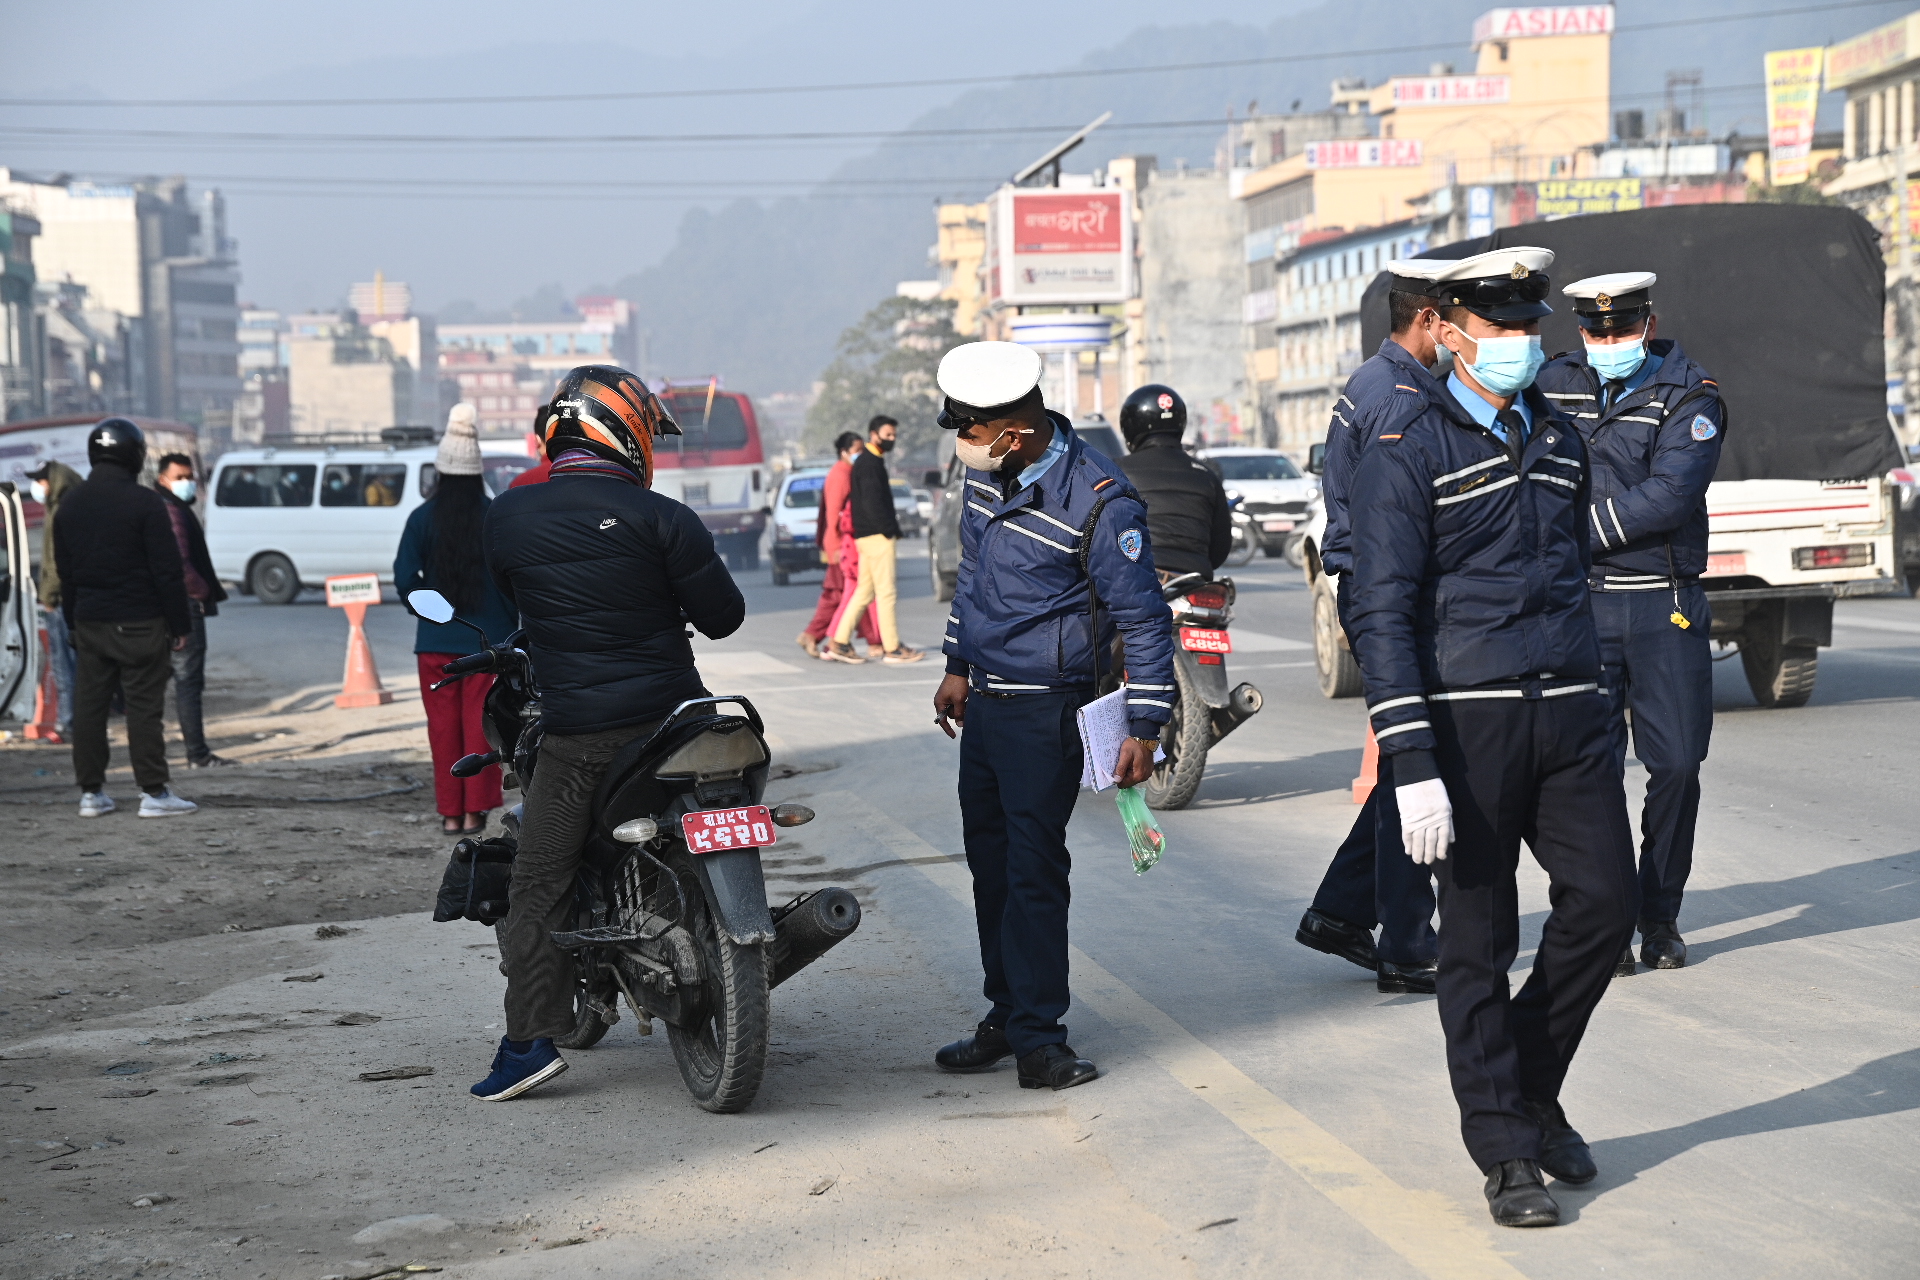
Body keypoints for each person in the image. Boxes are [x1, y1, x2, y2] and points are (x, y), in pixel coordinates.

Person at [1346, 249, 1638, 1227]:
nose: (1518, 342)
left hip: (1569, 711)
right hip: (1468, 724)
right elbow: (1379, 608)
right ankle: (1507, 1147)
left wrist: (1602, 697)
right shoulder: (1406, 444)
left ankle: (1525, 1081)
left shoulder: (1558, 439)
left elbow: (1570, 579)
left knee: (1606, 900)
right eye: (1499, 324)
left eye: (1527, 324)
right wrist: (1411, 758)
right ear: (1452, 327)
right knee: (1478, 939)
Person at [472, 365, 744, 1101]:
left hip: (582, 735)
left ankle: (528, 1043)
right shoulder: (665, 518)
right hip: (682, 725)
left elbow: (511, 611)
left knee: (536, 883)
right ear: (621, 431)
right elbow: (723, 617)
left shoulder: (506, 518)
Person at [930, 341, 1177, 1091]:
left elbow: (1144, 618)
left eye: (971, 431)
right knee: (992, 868)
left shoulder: (1101, 500)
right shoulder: (988, 482)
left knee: (1035, 872)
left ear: (1015, 430)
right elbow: (973, 574)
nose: (964, 444)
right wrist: (954, 664)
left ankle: (1041, 1039)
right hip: (988, 707)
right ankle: (1005, 1015)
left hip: (1050, 711)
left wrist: (1145, 725)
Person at [1538, 273, 1725, 973]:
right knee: (1585, 774)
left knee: (1676, 765)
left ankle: (1659, 914)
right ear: (1581, 330)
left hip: (1661, 603)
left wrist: (1563, 530)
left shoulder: (1690, 392)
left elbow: (1670, 494)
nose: (1608, 343)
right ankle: (1604, 919)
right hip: (1577, 603)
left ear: (1648, 323)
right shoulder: (1548, 385)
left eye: (1620, 331)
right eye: (1595, 332)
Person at [1295, 258, 1455, 995]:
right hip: (1388, 593)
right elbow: (1394, 521)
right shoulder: (1401, 399)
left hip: (1368, 586)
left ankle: (1340, 912)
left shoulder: (1375, 381)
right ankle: (1406, 941)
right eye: (1455, 320)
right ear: (1427, 319)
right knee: (1416, 764)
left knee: (1402, 762)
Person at [52, 419, 198, 820]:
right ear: (134, 455)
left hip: (90, 622)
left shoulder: (70, 505)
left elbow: (67, 573)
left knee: (90, 708)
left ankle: (91, 794)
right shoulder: (145, 503)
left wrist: (74, 625)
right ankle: (153, 793)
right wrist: (180, 625)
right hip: (140, 622)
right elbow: (167, 571)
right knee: (143, 708)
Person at [396, 404, 520, 836]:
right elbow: (513, 578)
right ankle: (475, 812)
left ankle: (450, 814)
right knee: (483, 732)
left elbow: (404, 580)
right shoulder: (497, 517)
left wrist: (427, 610)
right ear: (476, 473)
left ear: (441, 473)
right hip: (491, 646)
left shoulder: (420, 519)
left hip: (434, 644)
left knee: (443, 731)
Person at [153, 453, 232, 769]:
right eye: (180, 477)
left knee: (162, 681)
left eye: (190, 477)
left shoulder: (169, 507)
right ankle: (197, 754)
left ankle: (166, 752)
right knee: (188, 681)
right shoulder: (171, 511)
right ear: (163, 479)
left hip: (166, 606)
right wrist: (201, 590)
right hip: (184, 606)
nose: (187, 483)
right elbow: (180, 563)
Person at [828, 415, 923, 664]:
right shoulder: (870, 463)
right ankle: (892, 648)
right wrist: (888, 530)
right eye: (887, 435)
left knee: (865, 591)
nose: (891, 439)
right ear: (873, 434)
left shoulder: (868, 461)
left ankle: (839, 641)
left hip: (866, 536)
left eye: (893, 435)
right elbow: (872, 504)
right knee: (886, 593)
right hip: (876, 536)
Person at [1114, 384, 1232, 577]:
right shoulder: (1206, 475)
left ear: (1129, 426)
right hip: (1194, 580)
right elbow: (1220, 550)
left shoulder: (1113, 471)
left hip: (1132, 579)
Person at [797, 431, 881, 658]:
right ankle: (835, 640)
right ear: (844, 452)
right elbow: (833, 515)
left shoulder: (848, 471)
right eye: (857, 451)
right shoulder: (841, 474)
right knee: (845, 594)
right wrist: (833, 548)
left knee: (845, 594)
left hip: (846, 545)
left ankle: (817, 636)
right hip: (841, 546)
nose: (861, 454)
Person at [26, 459, 83, 742]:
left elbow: (55, 561)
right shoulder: (71, 506)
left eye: (41, 480)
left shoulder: (61, 510)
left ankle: (68, 721)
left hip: (60, 600)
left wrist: (48, 596)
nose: (37, 487)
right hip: (73, 598)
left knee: (64, 665)